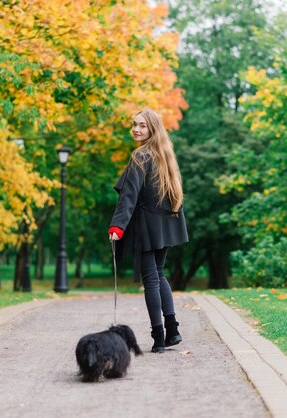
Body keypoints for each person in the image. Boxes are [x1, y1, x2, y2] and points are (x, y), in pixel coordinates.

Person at [108, 109, 189, 353]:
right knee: (159, 274)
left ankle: (159, 337)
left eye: (142, 125)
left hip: (147, 225)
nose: (136, 129)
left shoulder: (140, 156)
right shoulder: (165, 155)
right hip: (165, 224)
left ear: (152, 128)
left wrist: (117, 227)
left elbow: (129, 196)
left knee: (151, 279)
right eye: (134, 124)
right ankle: (172, 329)